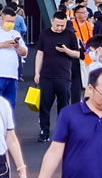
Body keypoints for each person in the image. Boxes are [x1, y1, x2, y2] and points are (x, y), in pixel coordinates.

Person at [33, 11, 81, 142]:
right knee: (44, 105)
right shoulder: (45, 34)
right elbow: (40, 53)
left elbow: (77, 54)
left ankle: (63, 132)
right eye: (57, 25)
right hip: (46, 76)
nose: (60, 28)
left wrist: (66, 50)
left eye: (62, 25)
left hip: (63, 75)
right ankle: (44, 131)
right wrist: (37, 72)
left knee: (63, 105)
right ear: (52, 22)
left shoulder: (70, 35)